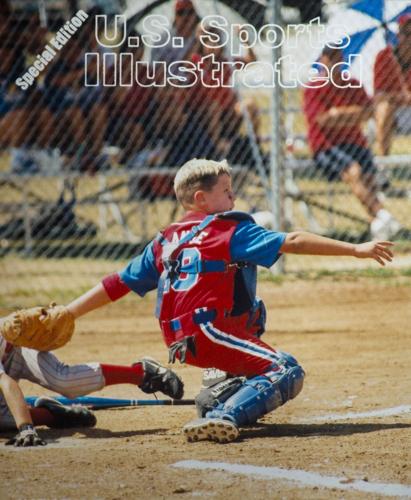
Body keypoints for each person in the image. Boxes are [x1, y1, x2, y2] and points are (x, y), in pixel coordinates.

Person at [51, 158, 393, 444]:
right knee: (285, 369)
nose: (233, 200)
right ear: (201, 199)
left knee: (253, 310)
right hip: (208, 329)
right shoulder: (227, 229)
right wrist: (355, 249)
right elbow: (294, 240)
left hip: (179, 338)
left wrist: (68, 312)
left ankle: (219, 388)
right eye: (226, 193)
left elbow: (117, 283)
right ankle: (222, 414)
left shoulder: (165, 240)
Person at [0, 331, 183, 446]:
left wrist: (25, 428)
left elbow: (6, 382)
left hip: (17, 345)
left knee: (64, 381)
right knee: (6, 421)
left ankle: (142, 373)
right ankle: (57, 414)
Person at [303, 46, 401, 240]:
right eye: (330, 57)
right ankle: (383, 216)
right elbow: (323, 119)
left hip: (355, 142)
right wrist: (352, 115)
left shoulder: (353, 84)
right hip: (326, 146)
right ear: (321, 60)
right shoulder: (314, 86)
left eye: (338, 57)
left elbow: (368, 112)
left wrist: (339, 114)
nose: (335, 61)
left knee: (371, 179)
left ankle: (378, 224)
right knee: (354, 171)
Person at [374, 14, 411, 156]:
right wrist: (402, 97)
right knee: (384, 108)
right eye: (406, 34)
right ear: (398, 35)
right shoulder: (385, 57)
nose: (409, 39)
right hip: (395, 112)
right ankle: (383, 165)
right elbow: (380, 97)